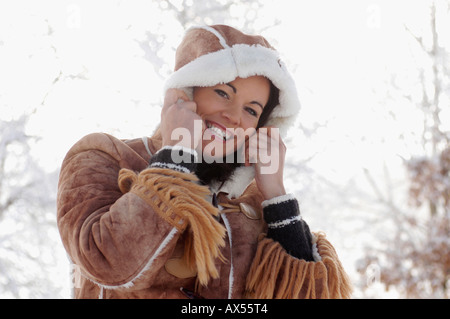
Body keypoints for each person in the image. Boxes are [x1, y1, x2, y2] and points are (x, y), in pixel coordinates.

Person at [57, 25, 352, 299]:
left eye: (251, 110)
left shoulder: (256, 204)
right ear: (186, 91)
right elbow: (108, 264)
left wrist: (275, 193)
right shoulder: (104, 155)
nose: (234, 116)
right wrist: (176, 159)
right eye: (222, 93)